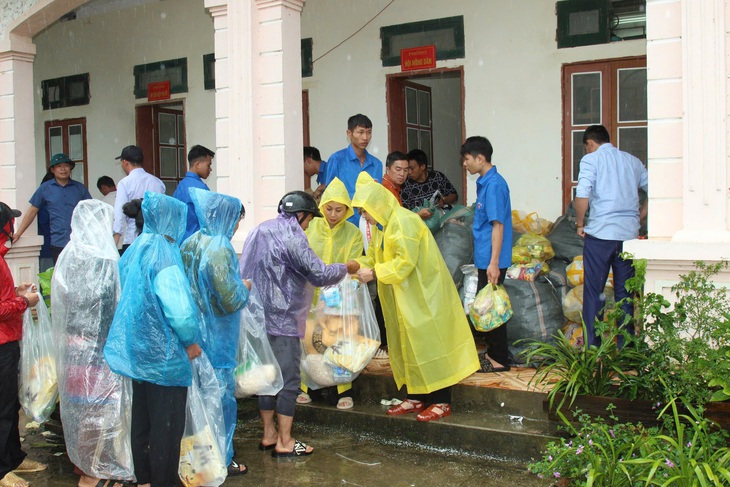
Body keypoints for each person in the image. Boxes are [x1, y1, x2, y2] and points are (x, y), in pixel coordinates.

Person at [347, 173, 479, 422]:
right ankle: (416, 395)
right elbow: (376, 258)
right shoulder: (383, 227)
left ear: (377, 205)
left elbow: (404, 263)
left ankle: (441, 401)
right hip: (403, 296)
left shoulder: (404, 222)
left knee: (431, 345)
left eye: (365, 211)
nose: (364, 217)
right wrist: (356, 265)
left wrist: (374, 273)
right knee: (408, 347)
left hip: (425, 295)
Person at [239, 191, 354, 458]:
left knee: (266, 378)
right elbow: (319, 274)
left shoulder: (260, 229)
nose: (309, 225)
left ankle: (269, 435)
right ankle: (285, 441)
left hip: (259, 319)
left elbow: (244, 269)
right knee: (289, 382)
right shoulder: (293, 236)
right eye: (309, 219)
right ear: (301, 214)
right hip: (284, 321)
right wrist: (345, 267)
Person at [104, 192, 202, 487]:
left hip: (137, 350)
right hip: (164, 356)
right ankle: (162, 481)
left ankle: (144, 478)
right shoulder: (164, 253)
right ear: (171, 219)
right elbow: (181, 312)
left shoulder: (135, 249)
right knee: (166, 427)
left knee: (142, 421)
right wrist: (190, 342)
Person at [52, 199, 134, 487]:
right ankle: (92, 473)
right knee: (101, 412)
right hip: (100, 351)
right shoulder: (106, 259)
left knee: (80, 409)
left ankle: (84, 465)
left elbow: (62, 303)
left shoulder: (68, 256)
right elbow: (115, 306)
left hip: (73, 349)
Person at [180, 188, 250, 477]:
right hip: (219, 335)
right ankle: (220, 457)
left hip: (196, 332)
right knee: (219, 399)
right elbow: (229, 298)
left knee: (198, 397)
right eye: (235, 221)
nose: (235, 227)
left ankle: (197, 459)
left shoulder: (190, 242)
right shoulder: (220, 247)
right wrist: (244, 288)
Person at [574, 125, 648, 349]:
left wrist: (580, 223)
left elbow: (582, 195)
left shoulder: (591, 160)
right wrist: (639, 216)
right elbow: (657, 188)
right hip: (628, 236)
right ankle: (625, 351)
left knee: (594, 292)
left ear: (590, 143)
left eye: (587, 148)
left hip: (601, 235)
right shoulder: (633, 161)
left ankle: (593, 348)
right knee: (625, 294)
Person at [297, 178, 364, 410]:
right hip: (310, 295)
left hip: (339, 298)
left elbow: (356, 263)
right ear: (321, 206)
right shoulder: (311, 227)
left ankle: (343, 390)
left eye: (339, 210)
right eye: (328, 209)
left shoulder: (353, 233)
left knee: (340, 342)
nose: (333, 214)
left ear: (347, 210)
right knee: (310, 344)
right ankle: (308, 387)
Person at [0, 202, 45, 487]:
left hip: (9, 338)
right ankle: (3, 469)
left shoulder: (2, 255)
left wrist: (16, 292)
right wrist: (22, 302)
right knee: (2, 407)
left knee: (10, 403)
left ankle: (14, 457)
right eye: (10, 222)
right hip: (2, 341)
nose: (14, 227)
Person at [461, 136, 513, 372]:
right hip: (486, 257)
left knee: (492, 307)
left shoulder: (494, 185)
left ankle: (500, 358)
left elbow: (498, 226)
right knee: (488, 305)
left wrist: (494, 263)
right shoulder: (484, 182)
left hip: (492, 259)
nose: (465, 164)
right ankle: (495, 353)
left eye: (467, 159)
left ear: (480, 159)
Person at [12, 153, 92, 263]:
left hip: (79, 242)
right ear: (52, 170)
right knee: (60, 278)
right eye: (59, 166)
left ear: (70, 168)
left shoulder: (80, 188)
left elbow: (90, 212)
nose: (63, 169)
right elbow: (32, 212)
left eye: (66, 166)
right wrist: (18, 233)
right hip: (58, 243)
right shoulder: (45, 188)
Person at [324, 114, 383, 226]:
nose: (365, 137)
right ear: (349, 134)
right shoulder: (337, 159)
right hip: (345, 226)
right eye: (360, 132)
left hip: (370, 226)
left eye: (369, 132)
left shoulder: (376, 164)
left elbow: (377, 198)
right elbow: (330, 195)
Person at [112, 145, 165, 253]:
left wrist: (115, 241)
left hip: (133, 239)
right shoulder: (158, 183)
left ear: (125, 162)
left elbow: (119, 214)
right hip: (155, 241)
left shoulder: (125, 183)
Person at [401, 149, 458, 219]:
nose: (409, 172)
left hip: (441, 221)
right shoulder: (406, 185)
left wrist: (444, 200)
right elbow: (405, 214)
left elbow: (454, 196)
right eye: (407, 169)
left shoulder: (438, 177)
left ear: (422, 166)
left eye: (412, 168)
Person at [173, 145, 214, 242]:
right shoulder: (201, 188)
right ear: (198, 164)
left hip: (180, 241)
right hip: (196, 242)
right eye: (208, 165)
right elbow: (209, 219)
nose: (210, 169)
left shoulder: (180, 186)